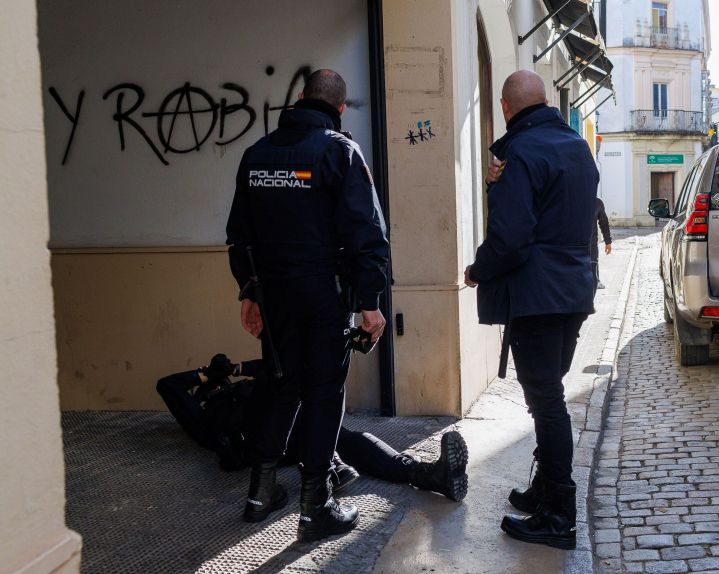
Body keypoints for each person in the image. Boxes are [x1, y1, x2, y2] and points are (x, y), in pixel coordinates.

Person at [225, 69, 389, 541]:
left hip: (274, 295)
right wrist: (370, 302)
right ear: (340, 109)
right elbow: (366, 233)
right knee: (323, 392)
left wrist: (250, 292)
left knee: (280, 387)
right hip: (323, 294)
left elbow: (239, 234)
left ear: (299, 98)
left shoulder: (257, 154)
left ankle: (260, 494)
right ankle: (316, 506)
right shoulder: (340, 151)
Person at [465, 70, 599, 550]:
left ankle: (559, 515)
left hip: (537, 295)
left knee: (546, 400)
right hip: (574, 290)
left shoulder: (519, 152)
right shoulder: (577, 146)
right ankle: (545, 490)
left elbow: (511, 236)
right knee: (548, 394)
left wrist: (478, 269)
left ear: (506, 107)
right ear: (545, 100)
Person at [155, 355, 469, 501]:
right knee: (308, 417)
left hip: (291, 428)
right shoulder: (203, 415)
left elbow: (277, 367)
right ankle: (331, 464)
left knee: (345, 435)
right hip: (261, 442)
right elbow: (167, 385)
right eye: (212, 380)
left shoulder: (246, 386)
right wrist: (203, 375)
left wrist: (236, 369)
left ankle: (428, 475)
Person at [593, 197, 612, 290]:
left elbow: (604, 223)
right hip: (574, 246)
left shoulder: (597, 202)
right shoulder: (571, 200)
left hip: (591, 245)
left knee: (593, 267)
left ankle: (596, 281)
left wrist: (608, 242)